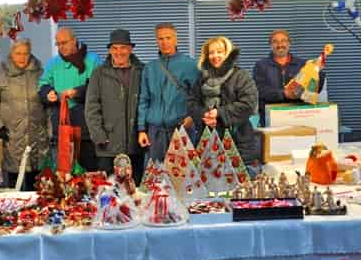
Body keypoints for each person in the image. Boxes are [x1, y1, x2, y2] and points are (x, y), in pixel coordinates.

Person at [0, 39, 49, 190]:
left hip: (37, 138)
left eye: (26, 53)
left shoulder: (40, 72)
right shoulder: (1, 73)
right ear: (11, 54)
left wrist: (50, 131)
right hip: (11, 138)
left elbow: (48, 105)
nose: (22, 57)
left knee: (37, 185)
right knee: (13, 185)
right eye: (18, 53)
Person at [188, 35, 260, 174]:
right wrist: (205, 115)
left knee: (240, 187)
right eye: (211, 52)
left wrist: (219, 113)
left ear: (228, 53)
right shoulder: (202, 77)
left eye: (220, 51)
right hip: (208, 140)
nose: (215, 56)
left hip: (239, 141)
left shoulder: (241, 75)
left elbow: (249, 104)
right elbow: (191, 103)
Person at [39, 27, 102, 172]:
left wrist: (77, 92)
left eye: (64, 42)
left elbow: (98, 86)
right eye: (58, 44)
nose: (61, 47)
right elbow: (43, 84)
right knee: (65, 173)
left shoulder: (93, 60)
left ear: (74, 40)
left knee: (89, 172)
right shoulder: (53, 63)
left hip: (87, 127)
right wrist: (48, 93)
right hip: (62, 128)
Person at [85, 29, 145, 180]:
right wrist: (98, 135)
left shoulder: (142, 71)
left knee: (135, 191)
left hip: (135, 145)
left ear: (130, 49)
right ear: (110, 50)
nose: (119, 52)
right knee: (108, 192)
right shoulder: (98, 73)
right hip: (107, 145)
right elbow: (91, 107)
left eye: (123, 47)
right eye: (115, 48)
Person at [137, 22, 199, 163]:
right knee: (154, 179)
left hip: (181, 130)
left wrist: (192, 117)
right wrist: (141, 129)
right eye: (160, 39)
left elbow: (199, 97)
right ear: (156, 41)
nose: (165, 42)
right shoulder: (150, 68)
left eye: (168, 38)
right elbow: (143, 100)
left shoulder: (190, 65)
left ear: (176, 39)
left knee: (183, 178)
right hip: (155, 133)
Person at [252, 29, 326, 126]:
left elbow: (314, 90)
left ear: (289, 43)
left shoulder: (303, 65)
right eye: (275, 41)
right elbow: (259, 90)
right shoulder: (260, 66)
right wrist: (283, 93)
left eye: (283, 41)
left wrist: (317, 73)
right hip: (271, 118)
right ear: (270, 45)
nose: (280, 45)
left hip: (299, 116)